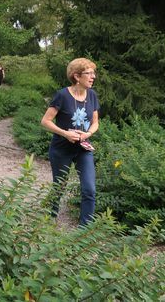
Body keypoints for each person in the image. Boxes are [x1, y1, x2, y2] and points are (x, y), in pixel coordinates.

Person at [40, 58, 100, 226]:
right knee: (59, 186)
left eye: (93, 73)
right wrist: (65, 133)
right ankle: (49, 219)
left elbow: (95, 122)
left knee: (89, 189)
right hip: (61, 148)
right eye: (89, 73)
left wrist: (87, 133)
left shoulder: (92, 95)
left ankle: (84, 229)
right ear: (76, 76)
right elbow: (45, 121)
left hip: (83, 148)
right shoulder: (62, 95)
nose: (93, 76)